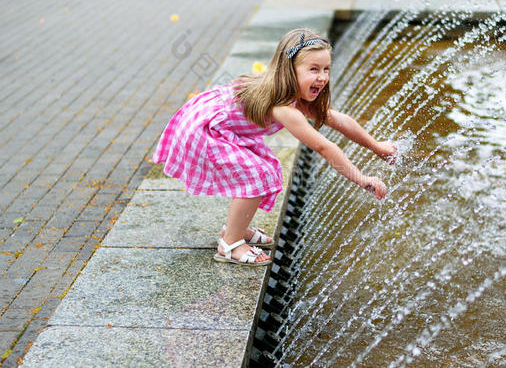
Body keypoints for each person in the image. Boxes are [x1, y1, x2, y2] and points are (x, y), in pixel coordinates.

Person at [153, 28, 396, 266]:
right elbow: (323, 147)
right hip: (206, 132)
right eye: (313, 69)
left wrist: (376, 147)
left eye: (326, 69)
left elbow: (337, 119)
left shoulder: (292, 94)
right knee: (258, 173)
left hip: (221, 127)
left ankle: (236, 226)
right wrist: (361, 178)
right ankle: (230, 244)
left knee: (266, 167)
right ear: (290, 71)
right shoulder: (282, 107)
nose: (322, 77)